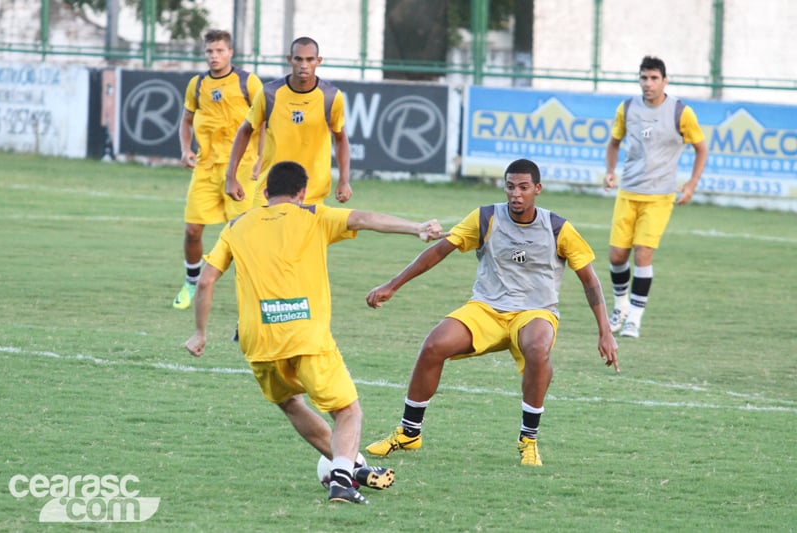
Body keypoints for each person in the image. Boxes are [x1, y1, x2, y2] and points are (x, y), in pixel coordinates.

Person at [184, 161, 445, 503]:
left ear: (265, 194)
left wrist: (199, 333)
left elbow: (205, 280)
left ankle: (350, 466)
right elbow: (364, 219)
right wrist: (416, 228)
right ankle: (341, 479)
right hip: (305, 334)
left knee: (291, 403)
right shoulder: (314, 215)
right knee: (348, 411)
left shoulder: (236, 225)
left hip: (258, 340)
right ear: (302, 192)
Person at [364, 158, 619, 466]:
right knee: (434, 345)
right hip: (486, 309)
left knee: (538, 348)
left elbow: (590, 282)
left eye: (524, 187)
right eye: (510, 187)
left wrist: (605, 332)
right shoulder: (485, 217)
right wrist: (393, 285)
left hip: (534, 313)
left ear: (537, 189)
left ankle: (528, 440)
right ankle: (409, 432)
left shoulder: (557, 228)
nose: (516, 194)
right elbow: (437, 251)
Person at [603, 55, 708, 338]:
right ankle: (621, 306)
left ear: (665, 81)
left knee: (643, 255)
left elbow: (701, 148)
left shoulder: (680, 112)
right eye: (643, 78)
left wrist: (691, 184)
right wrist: (610, 171)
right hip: (628, 193)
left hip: (660, 196)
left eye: (653, 78)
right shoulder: (627, 108)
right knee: (616, 256)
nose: (647, 84)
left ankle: (635, 318)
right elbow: (614, 143)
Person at [173, 29, 263, 310]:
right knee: (192, 230)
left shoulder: (248, 82)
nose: (214, 56)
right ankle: (191, 280)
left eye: (220, 51)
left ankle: (249, 292)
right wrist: (186, 149)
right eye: (210, 52)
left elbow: (268, 120)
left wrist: (262, 158)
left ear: (231, 53)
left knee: (242, 234)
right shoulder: (197, 84)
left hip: (242, 169)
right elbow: (186, 120)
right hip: (206, 168)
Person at [225, 36, 352, 208]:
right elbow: (245, 131)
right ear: (289, 59)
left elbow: (340, 138)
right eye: (298, 59)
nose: (304, 65)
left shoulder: (331, 97)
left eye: (310, 59)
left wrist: (344, 180)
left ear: (318, 61)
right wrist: (231, 177)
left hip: (311, 194)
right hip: (269, 191)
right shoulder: (269, 93)